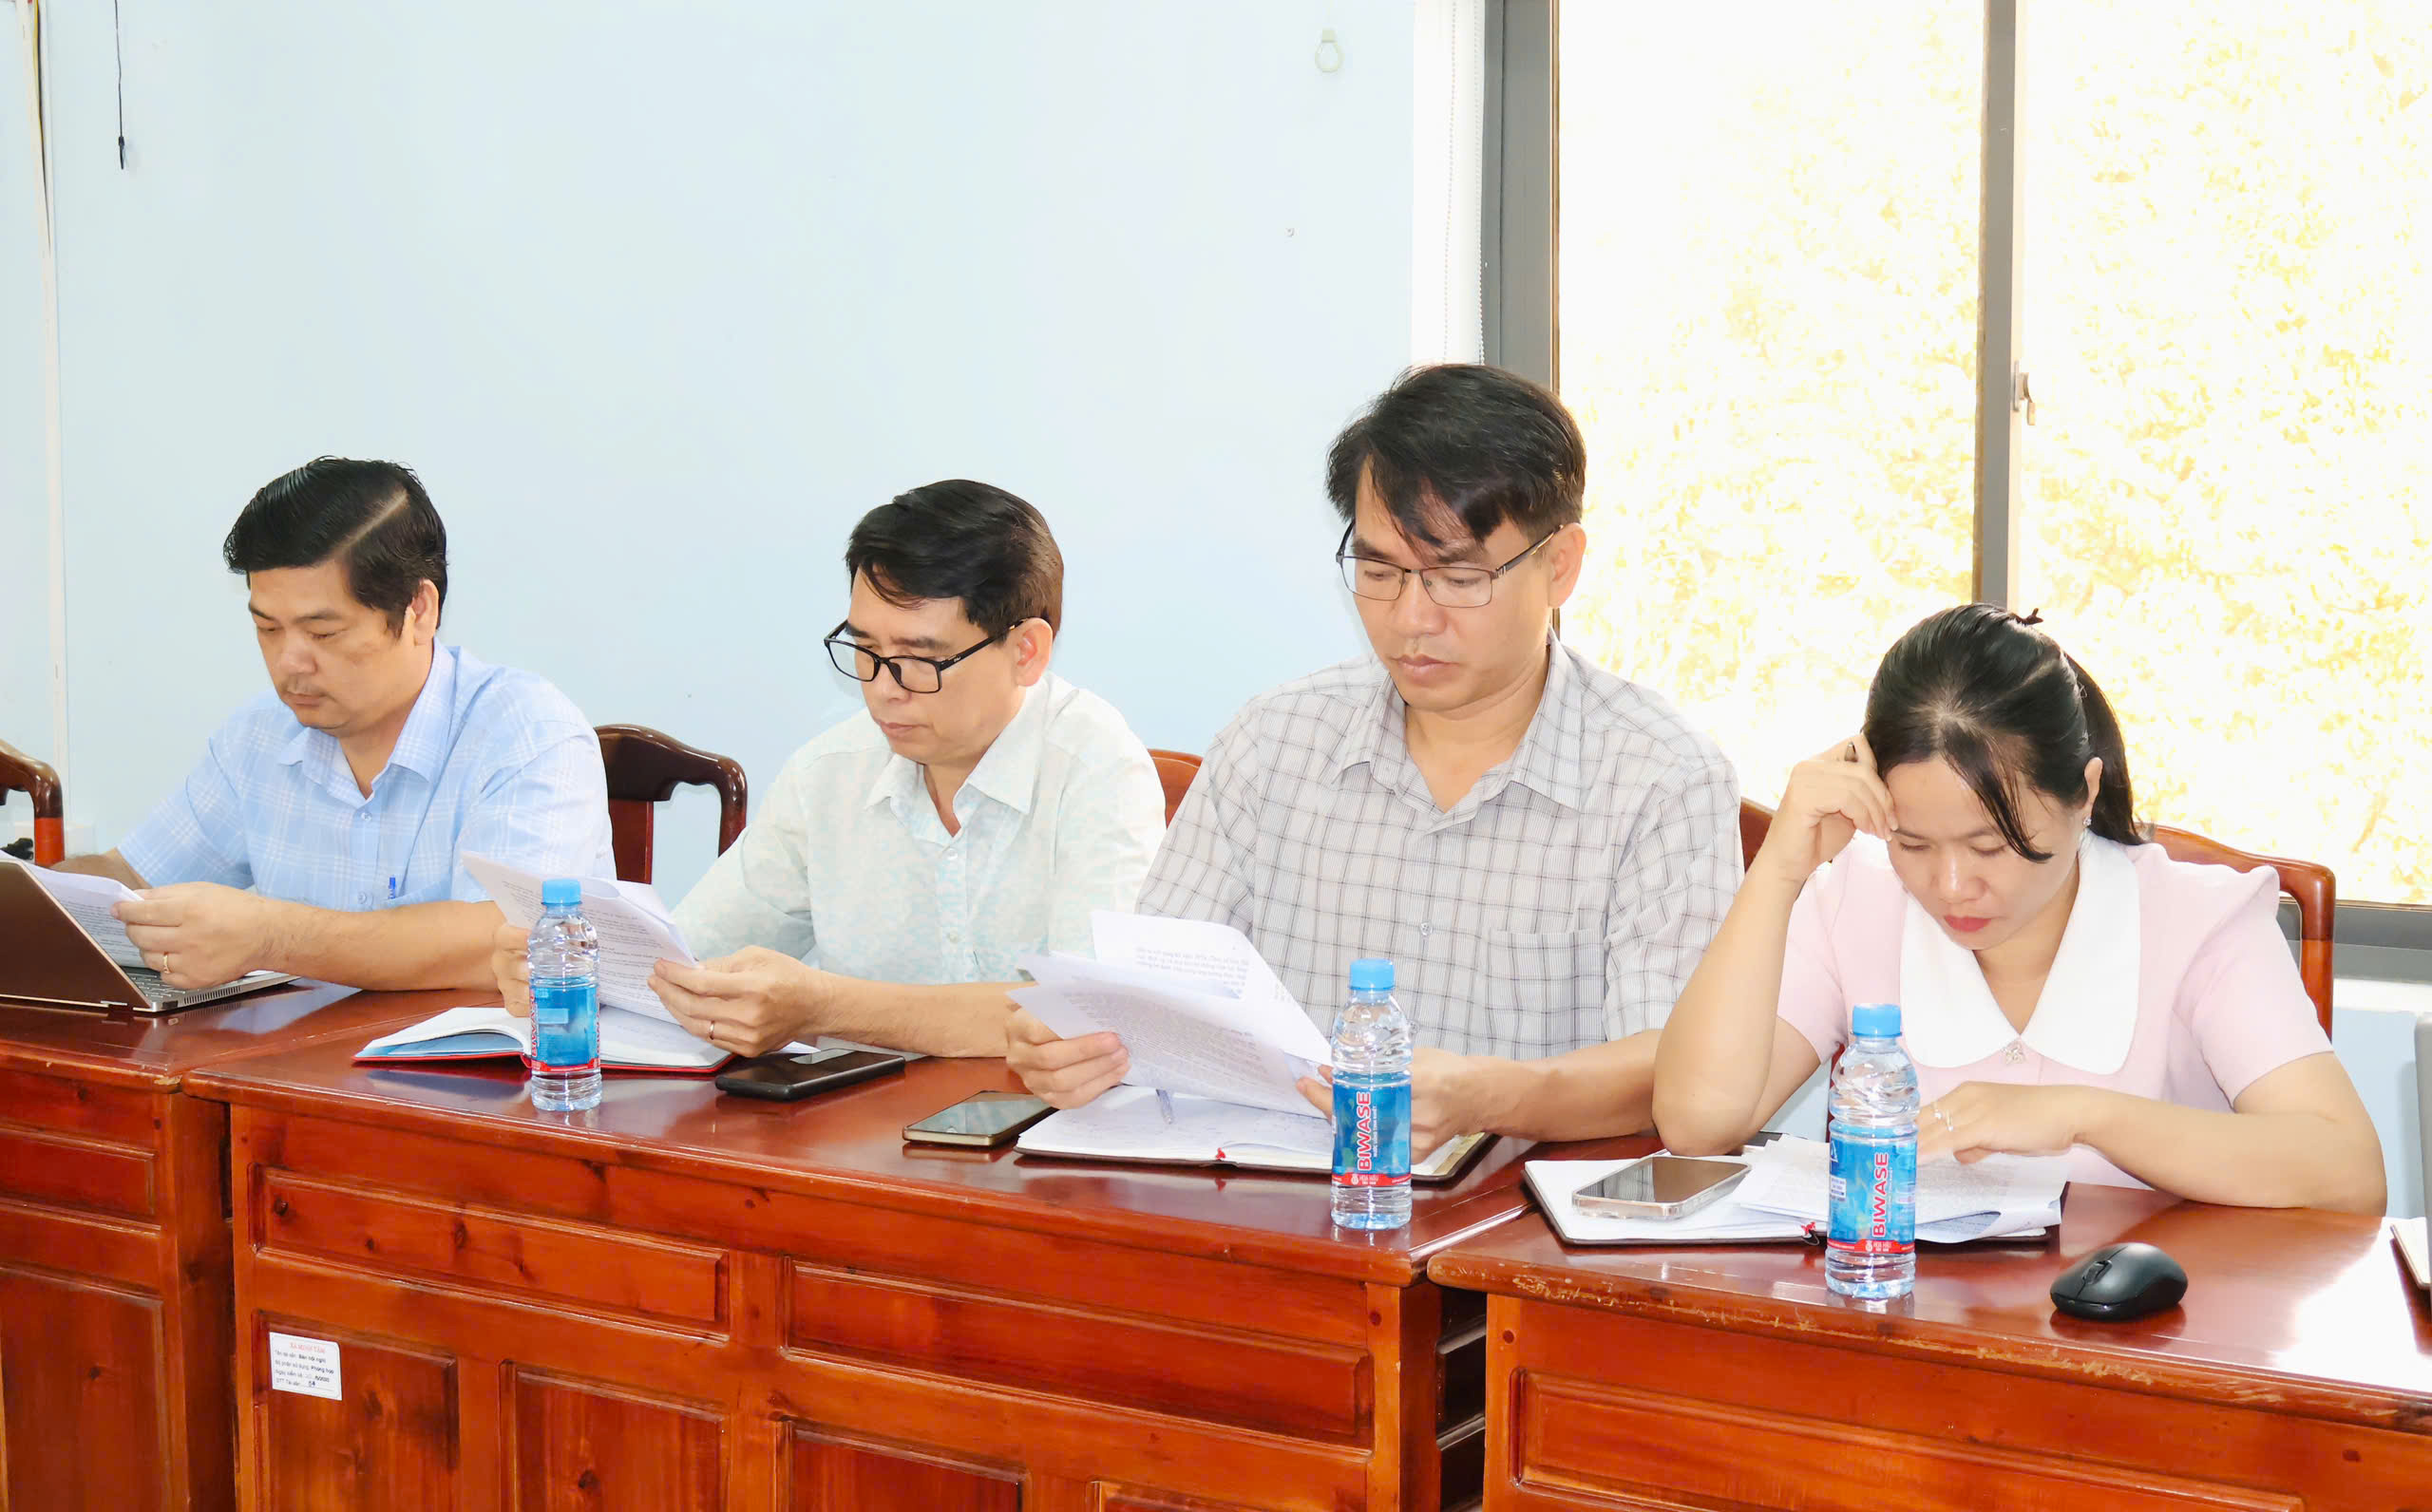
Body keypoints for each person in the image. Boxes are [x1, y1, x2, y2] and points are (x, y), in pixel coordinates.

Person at [1007, 365, 1741, 1153]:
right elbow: (1156, 992)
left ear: (1559, 564)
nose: (1411, 617)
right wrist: (1078, 1045)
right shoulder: (1274, 742)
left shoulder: (1662, 778)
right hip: (1279, 1192)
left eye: (1458, 577)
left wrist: (1494, 1096)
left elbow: (1677, 1065)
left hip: (1516, 1211)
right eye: (1380, 571)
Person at [1651, 603, 2384, 1212]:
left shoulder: (2197, 920)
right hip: (1910, 1323)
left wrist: (2083, 1115)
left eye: (1991, 846)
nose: (1951, 885)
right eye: (1913, 842)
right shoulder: (1857, 895)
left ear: (2083, 794)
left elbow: (2349, 1172)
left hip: (2144, 1330)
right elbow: (1695, 1123)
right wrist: (1780, 868)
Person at [492, 480, 1166, 1057]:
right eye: (865, 650)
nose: (883, 689)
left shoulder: (1099, 770)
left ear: (1026, 651)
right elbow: (694, 960)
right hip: (860, 1138)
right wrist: (579, 967)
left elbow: (1084, 1015)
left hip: (1041, 1141)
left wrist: (825, 1006)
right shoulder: (830, 772)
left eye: (919, 660)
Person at [48, 457, 614, 991]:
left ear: (419, 610)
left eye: (323, 633)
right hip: (293, 1056)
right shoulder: (258, 737)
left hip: (483, 1062)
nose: (290, 662)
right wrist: (37, 894)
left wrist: (270, 936)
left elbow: (509, 939)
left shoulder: (526, 731)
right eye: (268, 629)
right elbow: (133, 879)